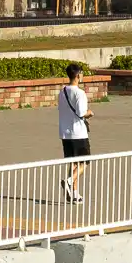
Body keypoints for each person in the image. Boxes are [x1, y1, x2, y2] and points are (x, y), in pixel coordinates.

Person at [57, 62, 93, 203]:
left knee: (73, 163)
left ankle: (75, 194)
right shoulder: (80, 93)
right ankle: (69, 181)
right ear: (78, 76)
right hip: (79, 133)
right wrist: (90, 113)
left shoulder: (62, 92)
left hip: (65, 133)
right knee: (84, 162)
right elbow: (81, 112)